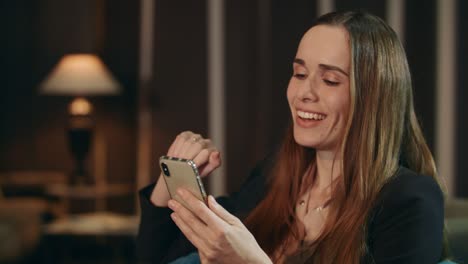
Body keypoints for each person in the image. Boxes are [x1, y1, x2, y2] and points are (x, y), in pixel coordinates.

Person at [136, 11, 447, 264]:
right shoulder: (275, 176)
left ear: (374, 97)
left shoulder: (409, 201)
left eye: (329, 80)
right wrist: (170, 182)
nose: (304, 93)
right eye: (299, 74)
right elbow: (161, 258)